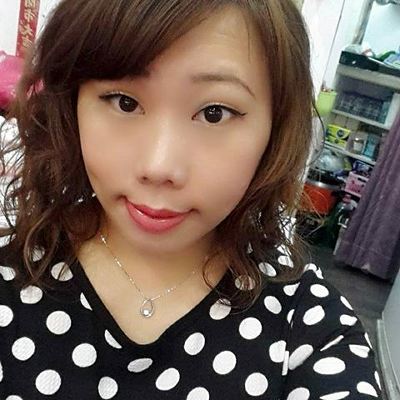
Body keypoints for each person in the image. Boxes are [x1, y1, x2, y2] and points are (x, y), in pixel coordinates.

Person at [0, 0, 381, 399]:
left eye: (214, 113)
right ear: (71, 103)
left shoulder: (309, 329)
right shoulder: (13, 274)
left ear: (275, 128)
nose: (159, 167)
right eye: (124, 102)